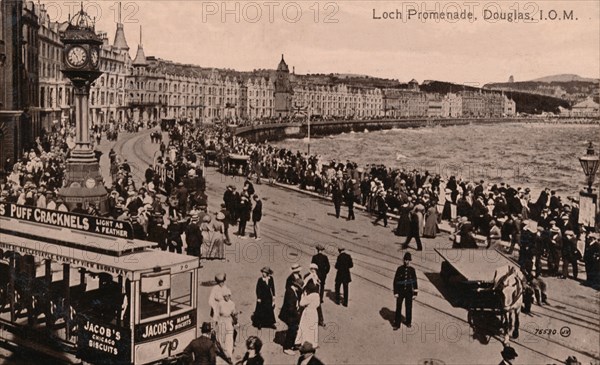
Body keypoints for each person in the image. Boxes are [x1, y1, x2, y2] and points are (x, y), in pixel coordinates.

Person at [393, 252, 418, 330]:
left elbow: (414, 282)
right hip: (400, 292)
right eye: (405, 260)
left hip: (409, 292)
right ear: (403, 260)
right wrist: (396, 292)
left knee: (409, 307)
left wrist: (415, 293)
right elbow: (395, 281)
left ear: (410, 261)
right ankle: (397, 324)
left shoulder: (412, 270)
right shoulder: (399, 269)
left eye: (408, 260)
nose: (406, 261)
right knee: (398, 307)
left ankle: (408, 322)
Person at [280, 278, 303, 355]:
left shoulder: (293, 290)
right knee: (292, 330)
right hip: (289, 315)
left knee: (294, 329)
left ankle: (292, 344)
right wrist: (298, 314)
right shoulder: (290, 292)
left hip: (291, 314)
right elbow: (290, 307)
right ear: (296, 286)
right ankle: (287, 347)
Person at [295, 284, 320, 348]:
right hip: (314, 312)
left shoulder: (310, 296)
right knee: (313, 328)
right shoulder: (317, 295)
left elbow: (301, 303)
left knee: (305, 327)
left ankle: (303, 342)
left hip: (308, 312)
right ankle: (313, 343)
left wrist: (303, 295)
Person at [217, 288, 238, 360]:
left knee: (229, 338)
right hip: (222, 321)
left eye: (228, 296)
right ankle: (224, 351)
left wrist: (236, 322)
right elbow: (217, 314)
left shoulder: (232, 303)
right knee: (220, 338)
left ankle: (229, 355)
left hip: (229, 320)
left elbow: (234, 314)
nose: (227, 297)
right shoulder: (220, 303)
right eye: (225, 296)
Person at [311, 244, 330, 310]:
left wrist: (313, 273)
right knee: (322, 286)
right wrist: (325, 273)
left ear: (317, 250)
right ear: (322, 250)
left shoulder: (314, 257)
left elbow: (312, 266)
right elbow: (328, 266)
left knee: (316, 286)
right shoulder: (325, 257)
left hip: (316, 274)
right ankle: (321, 299)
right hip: (323, 275)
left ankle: (316, 298)